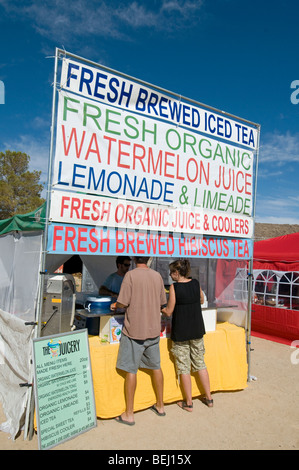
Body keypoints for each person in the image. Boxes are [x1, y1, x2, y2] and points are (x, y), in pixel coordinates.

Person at [111, 256, 167, 426]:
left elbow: (123, 302)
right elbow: (162, 303)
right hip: (152, 330)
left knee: (131, 370)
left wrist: (115, 305)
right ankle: (160, 405)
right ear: (149, 259)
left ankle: (129, 413)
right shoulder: (157, 276)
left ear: (134, 259)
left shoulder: (131, 276)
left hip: (134, 331)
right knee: (156, 367)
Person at [161, 259, 213, 411]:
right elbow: (202, 299)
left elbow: (169, 311)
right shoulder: (196, 283)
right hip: (197, 330)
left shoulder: (174, 287)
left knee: (184, 367)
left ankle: (188, 402)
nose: (170, 275)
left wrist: (161, 308)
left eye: (172, 272)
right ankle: (209, 398)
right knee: (200, 363)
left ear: (177, 273)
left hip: (181, 332)